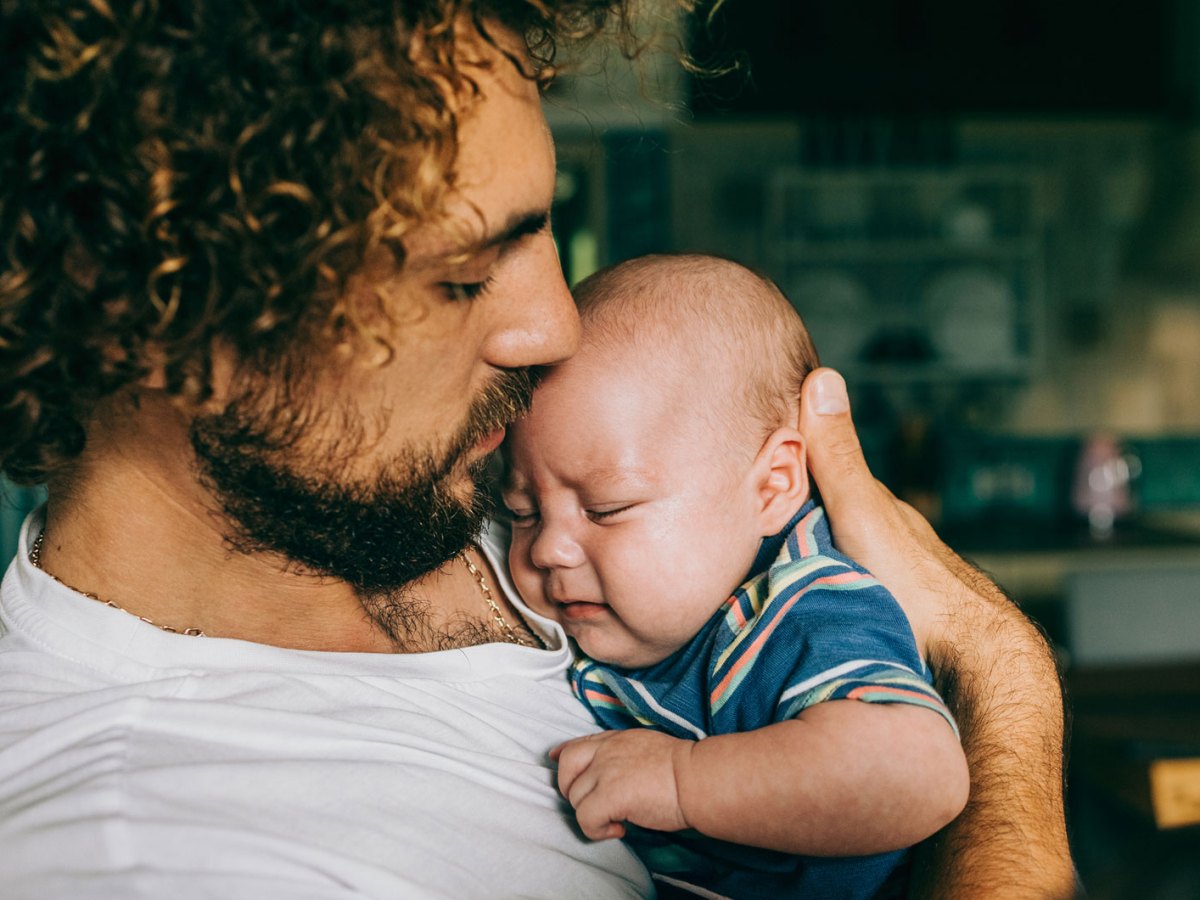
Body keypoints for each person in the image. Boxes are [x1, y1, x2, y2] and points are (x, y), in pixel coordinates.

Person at [0, 2, 1074, 898]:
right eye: (462, 277)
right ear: (158, 320)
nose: (555, 327)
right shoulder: (152, 850)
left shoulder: (436, 482)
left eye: (540, 227)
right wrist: (996, 671)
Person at [503, 254, 970, 898]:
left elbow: (919, 773)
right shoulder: (629, 617)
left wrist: (681, 781)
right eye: (522, 512)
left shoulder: (796, 607)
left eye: (605, 509)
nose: (549, 547)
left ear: (773, 484)